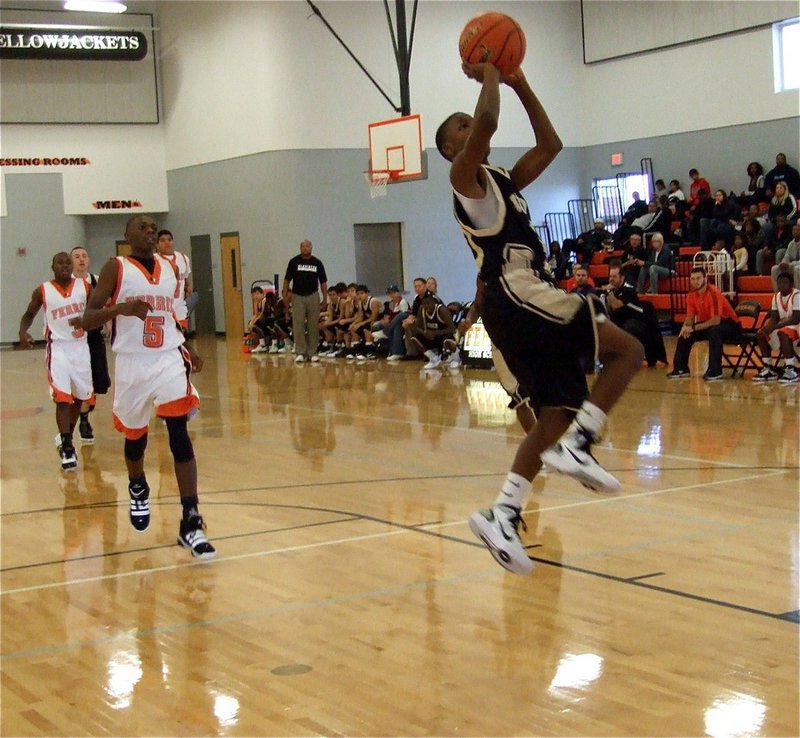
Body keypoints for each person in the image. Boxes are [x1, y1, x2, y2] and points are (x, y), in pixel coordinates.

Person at [435, 62, 643, 574]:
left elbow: (551, 145)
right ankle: (581, 444)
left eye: (467, 122)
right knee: (629, 350)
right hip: (518, 289)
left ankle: (502, 512)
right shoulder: (464, 178)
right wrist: (490, 71)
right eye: (459, 127)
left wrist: (521, 82)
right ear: (449, 149)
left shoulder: (501, 179)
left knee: (554, 412)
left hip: (522, 297)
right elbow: (486, 121)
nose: (471, 125)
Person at [81, 214, 215, 560]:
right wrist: (122, 308)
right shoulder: (116, 268)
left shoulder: (171, 269)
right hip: (132, 363)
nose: (151, 231)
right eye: (143, 227)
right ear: (127, 235)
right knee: (135, 439)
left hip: (168, 358)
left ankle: (191, 519)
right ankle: (137, 485)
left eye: (154, 227)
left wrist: (187, 346)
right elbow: (87, 317)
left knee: (178, 433)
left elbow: (173, 315)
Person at [18, 252, 94, 471]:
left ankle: (65, 437)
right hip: (58, 348)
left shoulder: (84, 287)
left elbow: (97, 310)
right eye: (60, 262)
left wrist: (89, 320)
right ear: (52, 266)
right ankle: (68, 448)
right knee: (63, 399)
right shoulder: (43, 290)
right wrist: (23, 331)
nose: (64, 265)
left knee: (80, 398)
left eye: (67, 263)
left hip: (80, 348)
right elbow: (29, 314)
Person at [667, 267, 740, 381]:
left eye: (698, 278)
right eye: (693, 279)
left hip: (730, 324)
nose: (696, 281)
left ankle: (715, 371)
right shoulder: (691, 295)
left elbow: (716, 320)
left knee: (715, 331)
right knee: (686, 333)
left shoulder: (713, 293)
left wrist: (693, 327)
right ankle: (681, 368)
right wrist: (685, 328)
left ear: (705, 278)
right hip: (710, 324)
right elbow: (690, 318)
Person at [70, 246, 111, 443]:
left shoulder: (96, 280)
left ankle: (86, 407)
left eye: (84, 256)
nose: (81, 259)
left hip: (94, 336)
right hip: (75, 338)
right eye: (77, 256)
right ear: (71, 262)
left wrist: (109, 320)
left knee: (100, 380)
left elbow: (106, 303)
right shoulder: (67, 284)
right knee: (82, 381)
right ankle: (84, 421)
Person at [603, 261, 666, 367]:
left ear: (622, 277)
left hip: (639, 320)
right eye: (610, 276)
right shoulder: (615, 289)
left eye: (614, 276)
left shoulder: (628, 288)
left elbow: (616, 305)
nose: (611, 279)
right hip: (624, 318)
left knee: (627, 327)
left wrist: (608, 292)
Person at [282, 239, 328, 363]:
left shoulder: (317, 263)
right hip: (297, 296)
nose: (306, 248)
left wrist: (325, 298)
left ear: (311, 248)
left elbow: (323, 281)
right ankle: (300, 352)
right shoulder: (294, 262)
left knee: (313, 325)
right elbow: (287, 279)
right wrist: (285, 293)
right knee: (298, 324)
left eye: (308, 246)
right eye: (304, 246)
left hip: (313, 295)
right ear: (300, 248)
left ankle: (312, 352)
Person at [753, 271, 800, 384]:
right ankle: (768, 366)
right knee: (761, 333)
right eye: (780, 283)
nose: (782, 285)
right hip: (784, 325)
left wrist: (775, 326)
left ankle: (790, 368)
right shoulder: (776, 296)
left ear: (792, 284)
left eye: (785, 283)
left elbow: (795, 319)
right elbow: (774, 318)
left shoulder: (797, 295)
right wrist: (768, 328)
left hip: (797, 326)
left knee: (783, 333)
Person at [156, 229, 194, 332]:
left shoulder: (183, 258)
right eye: (163, 240)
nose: (167, 242)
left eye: (169, 239)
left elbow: (186, 277)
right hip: (163, 308)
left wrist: (189, 286)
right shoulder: (154, 260)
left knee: (181, 338)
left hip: (180, 306)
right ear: (157, 245)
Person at [771, 222, 800, 290]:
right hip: (791, 265)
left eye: (798, 230)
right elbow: (787, 256)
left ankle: (798, 294)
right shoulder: (791, 243)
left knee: (797, 269)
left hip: (796, 266)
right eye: (793, 230)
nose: (795, 232)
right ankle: (777, 294)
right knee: (774, 269)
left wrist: (789, 265)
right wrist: (783, 263)